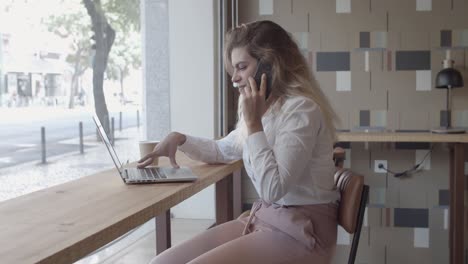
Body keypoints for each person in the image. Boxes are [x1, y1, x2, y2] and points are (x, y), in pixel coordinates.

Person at [139, 20, 340, 264]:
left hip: (304, 232)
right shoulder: (266, 110)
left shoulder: (300, 110)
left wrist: (254, 124)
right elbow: (221, 149)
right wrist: (179, 139)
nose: (234, 78)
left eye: (242, 67)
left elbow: (272, 189)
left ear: (269, 65)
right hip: (267, 218)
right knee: (161, 262)